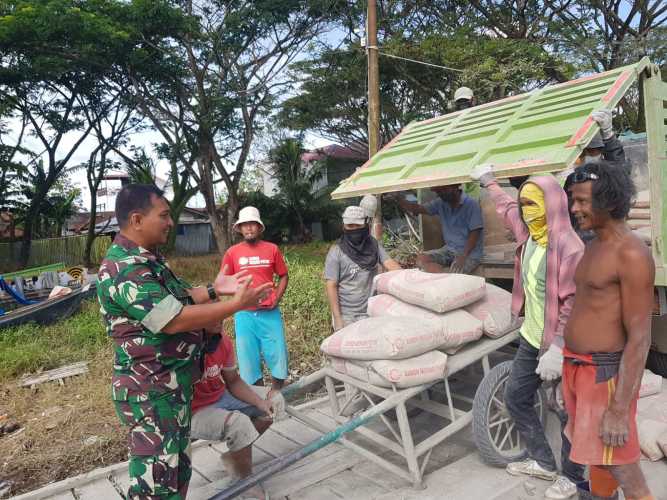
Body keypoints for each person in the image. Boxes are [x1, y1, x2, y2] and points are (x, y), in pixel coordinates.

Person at [97, 184, 271, 500]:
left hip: (172, 388)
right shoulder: (125, 267)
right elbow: (172, 318)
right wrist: (235, 304)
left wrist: (218, 289)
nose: (170, 222)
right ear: (137, 219)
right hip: (150, 393)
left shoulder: (147, 259)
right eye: (163, 215)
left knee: (176, 474)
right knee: (157, 485)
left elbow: (180, 297)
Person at [471, 166, 586, 500]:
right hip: (531, 338)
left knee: (567, 411)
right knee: (516, 398)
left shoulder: (570, 246)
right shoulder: (530, 234)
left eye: (534, 205)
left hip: (560, 345)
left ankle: (573, 478)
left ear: (553, 204)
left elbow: (574, 300)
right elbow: (507, 209)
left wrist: (559, 347)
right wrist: (488, 182)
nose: (527, 212)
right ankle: (543, 461)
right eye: (525, 205)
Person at [564, 163, 655, 500]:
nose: (575, 209)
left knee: (622, 466)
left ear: (609, 200)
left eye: (583, 201)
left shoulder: (631, 253)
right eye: (573, 200)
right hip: (578, 368)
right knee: (598, 460)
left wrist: (618, 409)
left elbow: (640, 338)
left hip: (603, 373)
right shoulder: (592, 245)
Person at [191, 330, 285, 499]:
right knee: (239, 424)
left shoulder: (222, 340)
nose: (218, 324)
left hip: (220, 395)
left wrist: (260, 402)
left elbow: (233, 381)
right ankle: (245, 481)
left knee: (275, 402)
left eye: (221, 319)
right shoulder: (181, 346)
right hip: (192, 411)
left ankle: (234, 457)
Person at [222, 206, 289, 390]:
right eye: (244, 225)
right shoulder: (232, 253)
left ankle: (276, 393)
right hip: (244, 315)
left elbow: (283, 275)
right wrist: (238, 298)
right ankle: (260, 397)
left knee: (278, 355)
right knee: (248, 360)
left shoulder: (272, 249)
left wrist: (277, 297)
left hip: (270, 312)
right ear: (240, 228)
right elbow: (223, 282)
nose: (249, 228)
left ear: (259, 227)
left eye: (252, 224)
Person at [324, 205, 401, 330]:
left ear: (365, 225)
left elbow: (389, 263)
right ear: (344, 226)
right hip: (347, 316)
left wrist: (410, 278)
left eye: (358, 226)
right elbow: (331, 285)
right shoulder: (336, 252)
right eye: (350, 226)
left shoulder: (373, 245)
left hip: (372, 310)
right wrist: (338, 319)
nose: (354, 229)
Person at [397, 184, 484, 274]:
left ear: (454, 186)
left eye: (442, 191)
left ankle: (443, 279)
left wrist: (463, 256)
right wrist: (398, 199)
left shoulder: (471, 204)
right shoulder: (441, 203)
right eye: (438, 192)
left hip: (470, 254)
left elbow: (475, 233)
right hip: (450, 250)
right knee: (422, 258)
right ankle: (441, 278)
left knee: (455, 274)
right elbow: (418, 209)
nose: (440, 194)